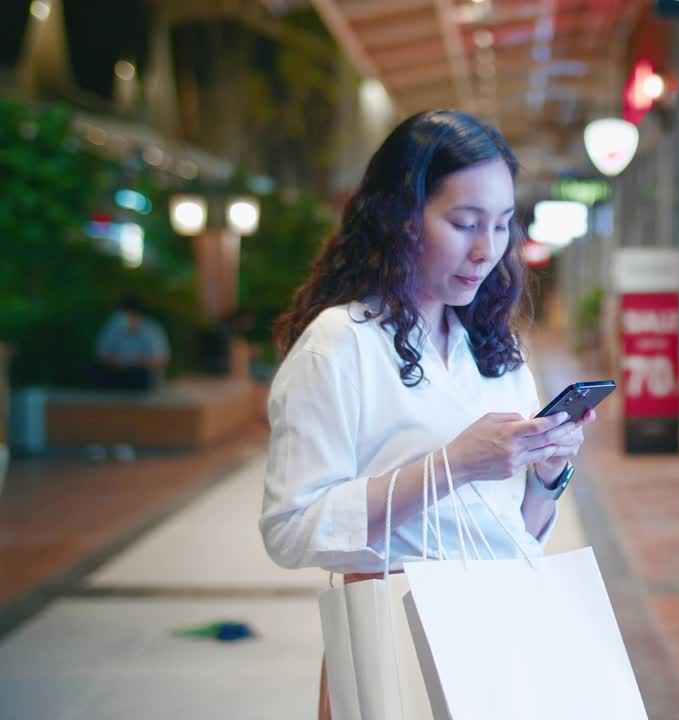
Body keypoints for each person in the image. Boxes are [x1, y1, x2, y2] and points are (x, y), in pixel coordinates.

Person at [258, 111, 596, 719]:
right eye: (465, 223)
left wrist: (548, 472)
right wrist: (451, 467)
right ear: (400, 217)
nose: (487, 250)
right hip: (394, 632)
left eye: (501, 225)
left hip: (501, 632)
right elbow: (290, 526)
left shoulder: (493, 346)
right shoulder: (342, 342)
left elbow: (516, 530)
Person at [90, 295, 170, 392]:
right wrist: (117, 362)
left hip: (141, 375)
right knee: (96, 371)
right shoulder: (113, 327)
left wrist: (132, 362)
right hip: (118, 372)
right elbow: (100, 355)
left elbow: (161, 361)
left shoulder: (152, 330)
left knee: (141, 375)